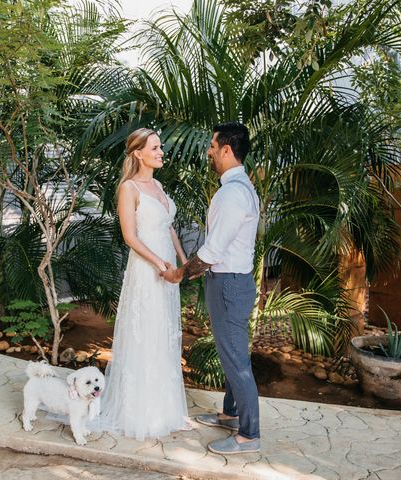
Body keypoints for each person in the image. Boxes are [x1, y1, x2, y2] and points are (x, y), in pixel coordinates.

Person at [161, 121, 261, 455]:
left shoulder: (233, 193)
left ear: (227, 150)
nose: (209, 151)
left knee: (235, 360)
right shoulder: (238, 187)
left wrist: (181, 273)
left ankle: (248, 435)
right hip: (231, 282)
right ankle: (230, 415)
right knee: (232, 354)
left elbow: (212, 251)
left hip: (229, 284)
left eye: (213, 146)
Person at [99, 127, 190, 441]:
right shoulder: (129, 188)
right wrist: (159, 263)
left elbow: (169, 227)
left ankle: (168, 411)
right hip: (147, 271)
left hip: (168, 271)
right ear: (138, 153)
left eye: (160, 146)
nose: (161, 151)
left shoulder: (158, 185)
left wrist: (182, 261)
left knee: (165, 335)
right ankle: (142, 413)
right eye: (154, 147)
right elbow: (129, 236)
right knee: (146, 334)